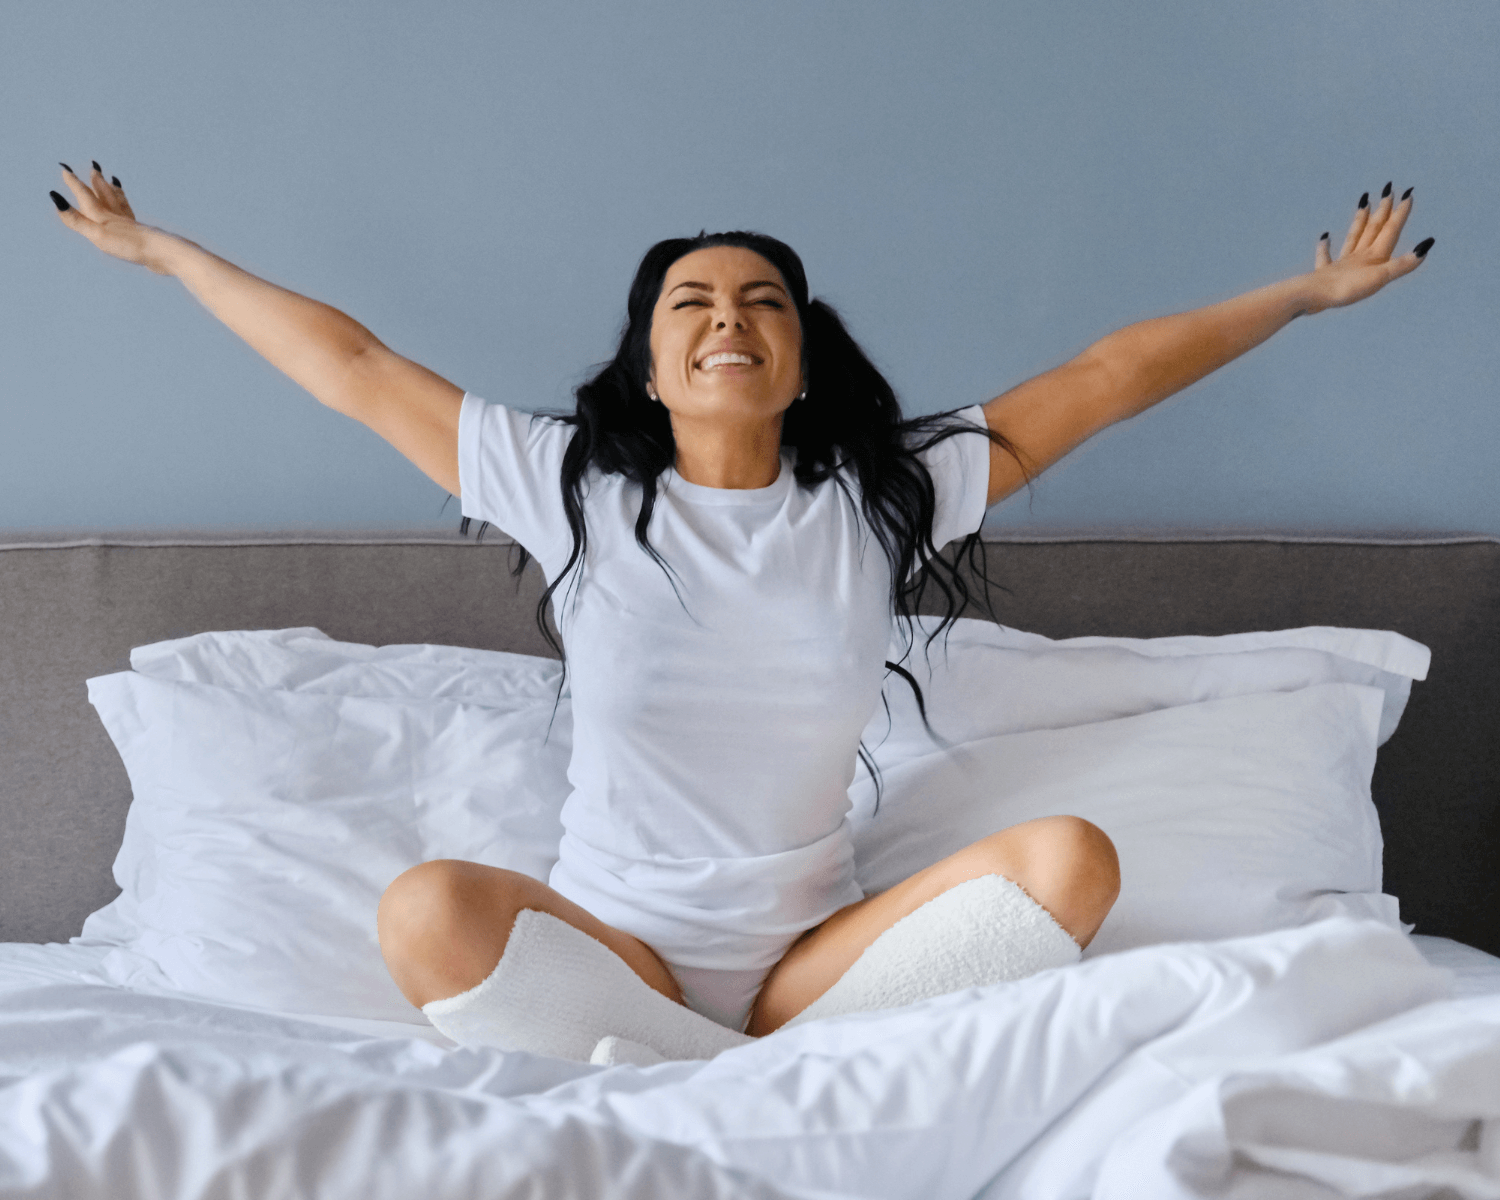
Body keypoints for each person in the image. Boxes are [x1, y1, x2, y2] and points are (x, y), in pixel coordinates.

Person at [51, 163, 1433, 1059]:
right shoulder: (571, 486)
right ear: (651, 362)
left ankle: (732, 1066)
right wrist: (167, 253)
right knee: (422, 912)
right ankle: (708, 1076)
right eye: (692, 300)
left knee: (1072, 861)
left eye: (762, 299)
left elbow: (1108, 373)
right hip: (611, 960)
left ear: (798, 354)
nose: (728, 315)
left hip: (810, 964)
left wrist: (1307, 292)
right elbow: (352, 365)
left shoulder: (886, 497)